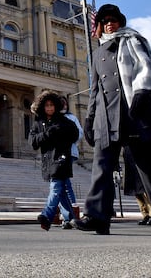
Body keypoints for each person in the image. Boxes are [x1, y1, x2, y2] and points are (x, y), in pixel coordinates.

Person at [73, 4, 151, 235]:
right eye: (105, 20)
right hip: (105, 116)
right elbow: (95, 89)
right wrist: (90, 118)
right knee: (101, 167)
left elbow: (145, 68)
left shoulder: (132, 40)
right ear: (99, 25)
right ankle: (97, 217)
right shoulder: (97, 53)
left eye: (114, 19)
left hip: (133, 112)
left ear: (121, 22)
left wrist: (141, 93)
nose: (110, 23)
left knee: (147, 168)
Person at [28, 90, 79, 231]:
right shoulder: (38, 123)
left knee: (56, 188)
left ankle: (47, 215)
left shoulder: (64, 121)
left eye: (52, 105)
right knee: (61, 191)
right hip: (47, 161)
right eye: (46, 105)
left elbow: (75, 135)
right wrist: (48, 134)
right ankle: (71, 219)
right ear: (42, 107)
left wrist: (58, 134)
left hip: (61, 159)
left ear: (56, 106)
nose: (49, 108)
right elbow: (32, 142)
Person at [59, 95, 84, 228]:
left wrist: (67, 139)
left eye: (64, 103)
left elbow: (80, 133)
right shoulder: (53, 117)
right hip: (56, 155)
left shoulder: (71, 117)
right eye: (60, 103)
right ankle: (68, 215)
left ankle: (68, 215)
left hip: (69, 153)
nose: (63, 105)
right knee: (61, 184)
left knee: (63, 183)